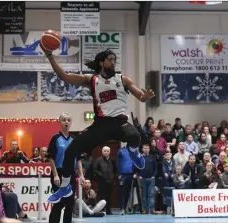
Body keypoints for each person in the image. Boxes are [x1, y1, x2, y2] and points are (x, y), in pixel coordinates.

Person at [41, 45, 155, 203]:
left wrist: (146, 96)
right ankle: (65, 186)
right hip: (100, 125)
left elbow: (141, 97)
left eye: (114, 60)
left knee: (135, 135)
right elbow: (64, 76)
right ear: (102, 62)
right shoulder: (92, 80)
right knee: (70, 151)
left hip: (119, 122)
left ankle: (133, 151)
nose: (113, 62)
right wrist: (49, 55)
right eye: (110, 59)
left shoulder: (123, 79)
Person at [47, 112, 77, 223]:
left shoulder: (74, 139)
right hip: (59, 173)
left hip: (71, 174)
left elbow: (77, 159)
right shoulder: (56, 138)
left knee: (70, 203)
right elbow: (50, 157)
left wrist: (82, 176)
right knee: (59, 202)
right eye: (64, 120)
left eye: (68, 120)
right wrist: (55, 175)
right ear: (60, 122)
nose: (66, 122)